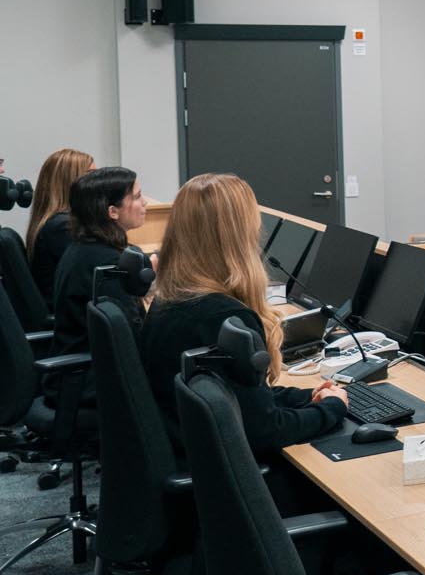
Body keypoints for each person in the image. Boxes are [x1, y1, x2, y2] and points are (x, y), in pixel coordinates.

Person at [141, 172, 348, 453]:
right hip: (216, 465)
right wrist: (333, 408)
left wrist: (306, 396)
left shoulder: (170, 298)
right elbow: (266, 431)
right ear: (238, 235)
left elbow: (243, 399)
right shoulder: (224, 319)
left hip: (185, 447)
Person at [49, 166, 149, 359]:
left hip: (88, 363)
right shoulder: (108, 263)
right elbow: (129, 334)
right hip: (94, 371)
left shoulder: (84, 247)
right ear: (113, 211)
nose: (144, 202)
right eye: (137, 197)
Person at [26, 147, 93, 300]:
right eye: (91, 176)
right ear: (71, 182)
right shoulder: (62, 226)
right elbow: (90, 270)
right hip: (68, 310)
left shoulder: (58, 222)